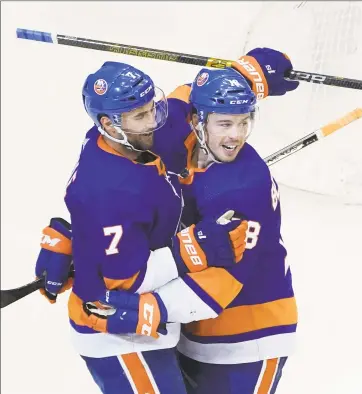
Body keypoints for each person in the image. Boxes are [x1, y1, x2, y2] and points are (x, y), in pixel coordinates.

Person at [35, 47, 299, 393]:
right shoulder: (163, 123)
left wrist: (154, 307)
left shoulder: (242, 186)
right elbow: (201, 89)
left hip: (248, 331)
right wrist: (84, 234)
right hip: (190, 328)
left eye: (244, 122)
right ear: (196, 118)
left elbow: (227, 277)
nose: (236, 134)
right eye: (224, 122)